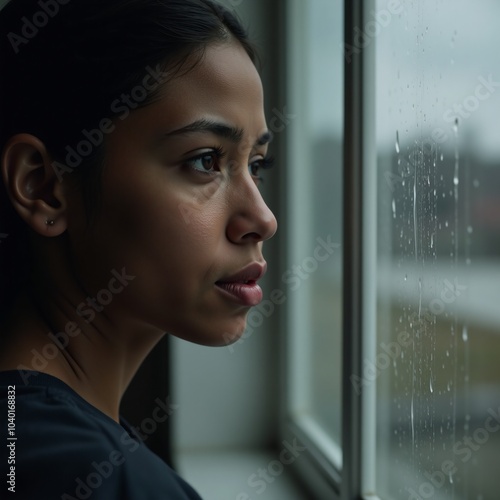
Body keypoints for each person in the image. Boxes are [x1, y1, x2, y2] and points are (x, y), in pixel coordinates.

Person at [0, 0, 277, 498]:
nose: (263, 219)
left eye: (256, 164)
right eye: (205, 161)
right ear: (42, 186)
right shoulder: (96, 477)